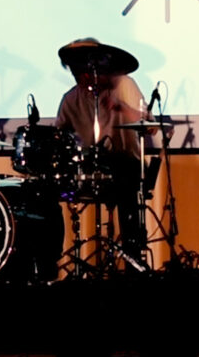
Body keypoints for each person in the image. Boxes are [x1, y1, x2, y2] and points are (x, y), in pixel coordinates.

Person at [55, 38, 153, 272]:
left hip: (127, 163)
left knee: (126, 183)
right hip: (90, 168)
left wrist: (119, 107)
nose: (83, 76)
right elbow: (58, 136)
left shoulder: (123, 84)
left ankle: (133, 263)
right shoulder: (71, 98)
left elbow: (149, 125)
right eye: (76, 71)